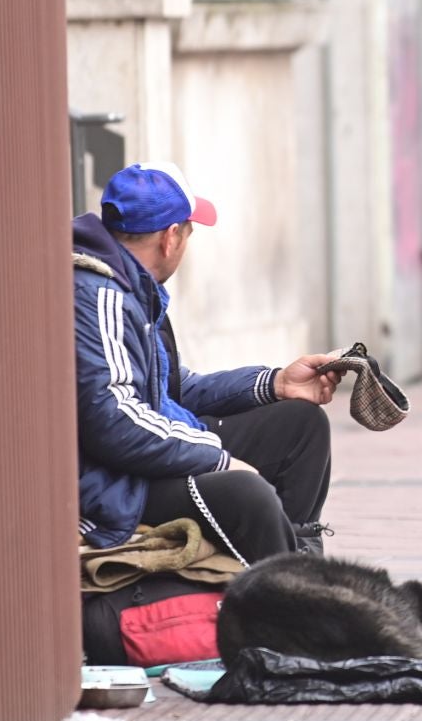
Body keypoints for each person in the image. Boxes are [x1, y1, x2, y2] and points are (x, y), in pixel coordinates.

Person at [72, 162, 347, 563]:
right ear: (170, 238)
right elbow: (115, 423)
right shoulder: (103, 296)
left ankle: (300, 568)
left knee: (300, 425)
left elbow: (177, 390)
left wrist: (277, 384)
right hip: (123, 484)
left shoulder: (132, 285)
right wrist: (218, 457)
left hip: (149, 453)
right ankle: (288, 599)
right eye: (189, 231)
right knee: (248, 494)